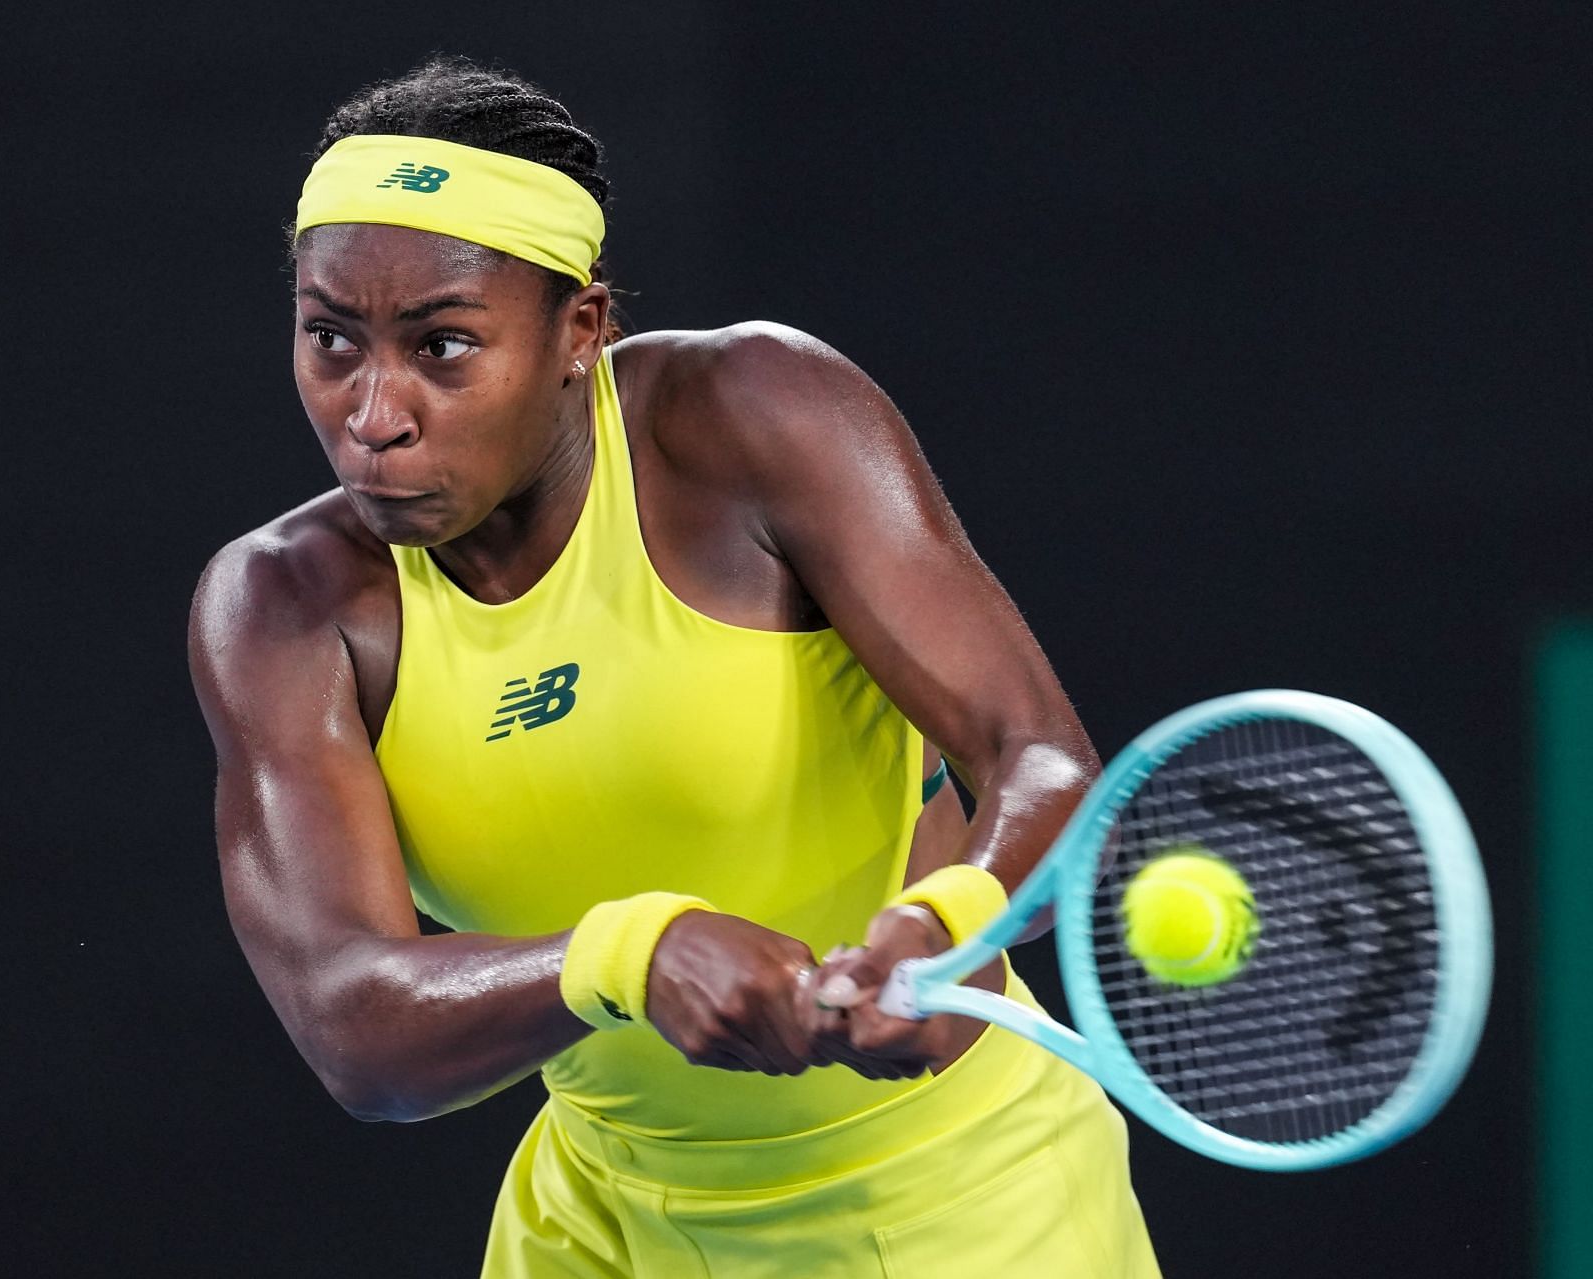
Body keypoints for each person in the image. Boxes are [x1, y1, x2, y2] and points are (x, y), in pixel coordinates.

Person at [188, 56, 1159, 1277]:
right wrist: (634, 954)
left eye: (442, 347)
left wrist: (942, 928)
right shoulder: (280, 604)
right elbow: (355, 1027)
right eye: (331, 338)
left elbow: (1046, 760)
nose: (373, 414)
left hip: (958, 1207)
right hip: (600, 1225)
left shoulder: (755, 414)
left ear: (580, 332)